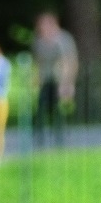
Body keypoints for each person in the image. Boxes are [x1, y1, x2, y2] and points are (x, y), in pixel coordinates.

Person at [31, 12, 77, 145]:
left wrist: (68, 83)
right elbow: (38, 61)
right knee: (41, 109)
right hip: (45, 79)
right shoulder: (39, 41)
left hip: (59, 79)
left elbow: (69, 61)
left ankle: (60, 139)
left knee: (58, 111)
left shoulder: (63, 39)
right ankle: (39, 139)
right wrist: (36, 77)